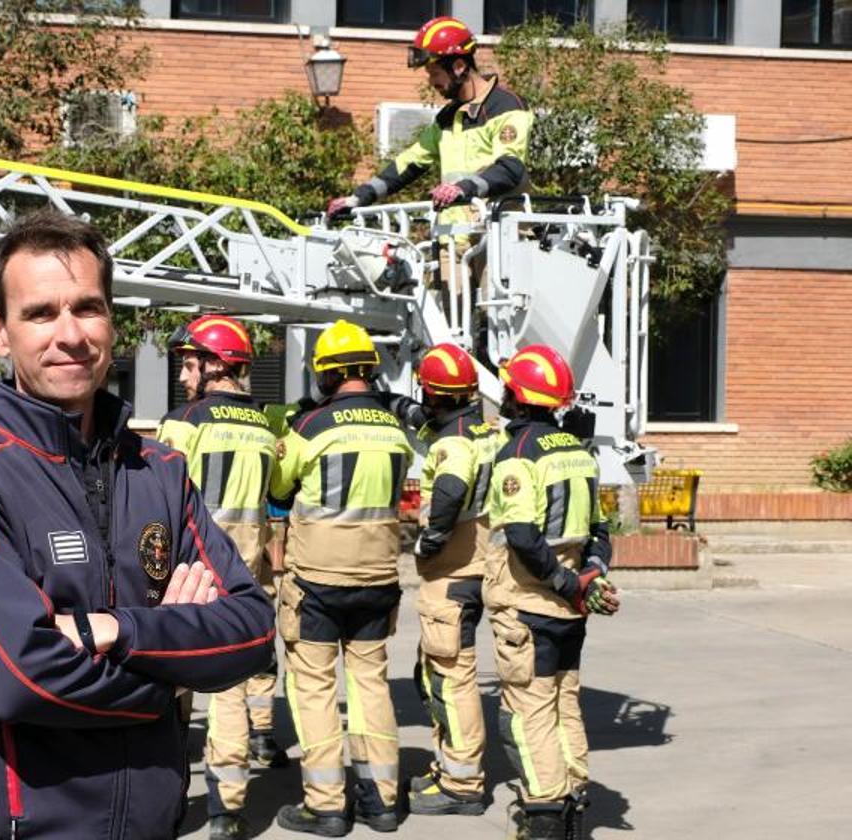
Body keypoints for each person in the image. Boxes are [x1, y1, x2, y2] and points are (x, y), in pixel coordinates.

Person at [0, 208, 276, 840]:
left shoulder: (159, 469)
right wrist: (170, 675)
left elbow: (251, 631)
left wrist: (123, 631)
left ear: (112, 319)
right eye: (41, 313)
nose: (69, 334)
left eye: (87, 307)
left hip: (153, 823)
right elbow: (18, 679)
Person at [269, 319, 415, 836]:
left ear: (325, 375)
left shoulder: (309, 428)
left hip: (316, 582)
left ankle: (326, 805)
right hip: (378, 579)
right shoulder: (397, 430)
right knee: (371, 684)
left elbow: (279, 490)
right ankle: (381, 801)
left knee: (312, 687)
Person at [155, 314, 287, 840]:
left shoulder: (183, 422)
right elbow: (275, 495)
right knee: (230, 686)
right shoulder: (263, 429)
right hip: (241, 577)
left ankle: (167, 800)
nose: (185, 376)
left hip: (187, 576)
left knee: (172, 687)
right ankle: (227, 811)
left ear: (216, 365)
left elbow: (156, 500)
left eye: (191, 364)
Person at [484, 344, 620, 840]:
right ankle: (573, 797)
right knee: (565, 702)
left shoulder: (516, 455)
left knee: (529, 710)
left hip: (529, 605)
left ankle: (543, 813)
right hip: (570, 611)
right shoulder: (578, 454)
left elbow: (521, 536)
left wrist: (564, 583)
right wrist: (592, 577)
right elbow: (600, 532)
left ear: (516, 396)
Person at [326, 15, 533, 323]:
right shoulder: (447, 118)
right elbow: (407, 163)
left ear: (459, 66)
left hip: (497, 234)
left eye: (435, 73)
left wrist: (463, 188)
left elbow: (509, 168)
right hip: (452, 238)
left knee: (500, 326)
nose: (431, 82)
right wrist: (358, 198)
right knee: (450, 329)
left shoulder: (506, 106)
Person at [406, 342, 505, 818]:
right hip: (478, 566)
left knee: (451, 679)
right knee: (439, 672)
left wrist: (432, 538)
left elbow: (449, 487)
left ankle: (462, 783)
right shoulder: (484, 430)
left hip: (451, 572)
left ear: (432, 393)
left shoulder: (454, 444)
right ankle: (447, 765)